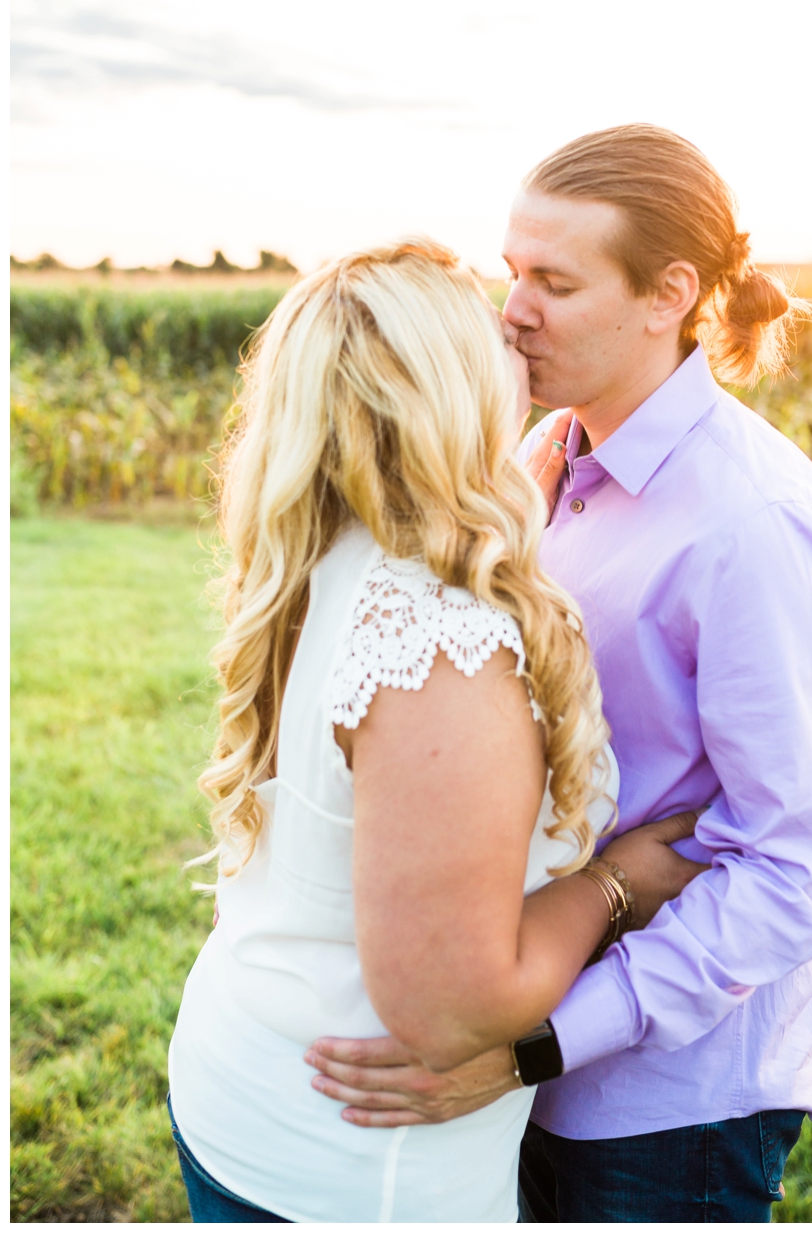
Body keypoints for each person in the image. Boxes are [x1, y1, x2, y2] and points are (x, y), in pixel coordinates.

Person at [304, 125, 812, 1222]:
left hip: (658, 1110)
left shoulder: (752, 527)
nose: (512, 310)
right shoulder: (532, 459)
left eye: (555, 282)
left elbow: (787, 877)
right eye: (513, 271)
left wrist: (536, 1046)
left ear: (669, 295)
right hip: (511, 1037)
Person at [165, 241, 705, 1222]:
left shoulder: (314, 554)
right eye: (495, 331)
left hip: (245, 1079)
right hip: (357, 1171)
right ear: (446, 382)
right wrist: (615, 885)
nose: (522, 328)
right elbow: (454, 1011)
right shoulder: (436, 634)